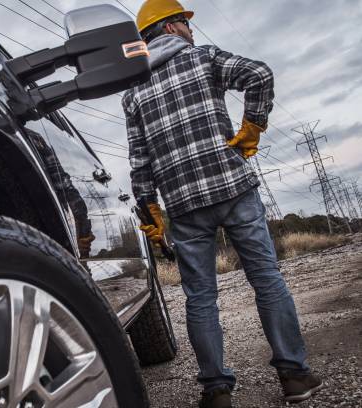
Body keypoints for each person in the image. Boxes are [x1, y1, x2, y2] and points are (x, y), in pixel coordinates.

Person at [122, 1, 323, 407]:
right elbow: (259, 74)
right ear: (170, 27)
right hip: (232, 187)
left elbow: (139, 160)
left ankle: (216, 392)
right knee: (266, 278)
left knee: (199, 298)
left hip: (182, 204)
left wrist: (151, 213)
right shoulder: (204, 58)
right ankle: (294, 377)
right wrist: (252, 128)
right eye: (186, 23)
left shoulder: (133, 93)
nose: (192, 30)